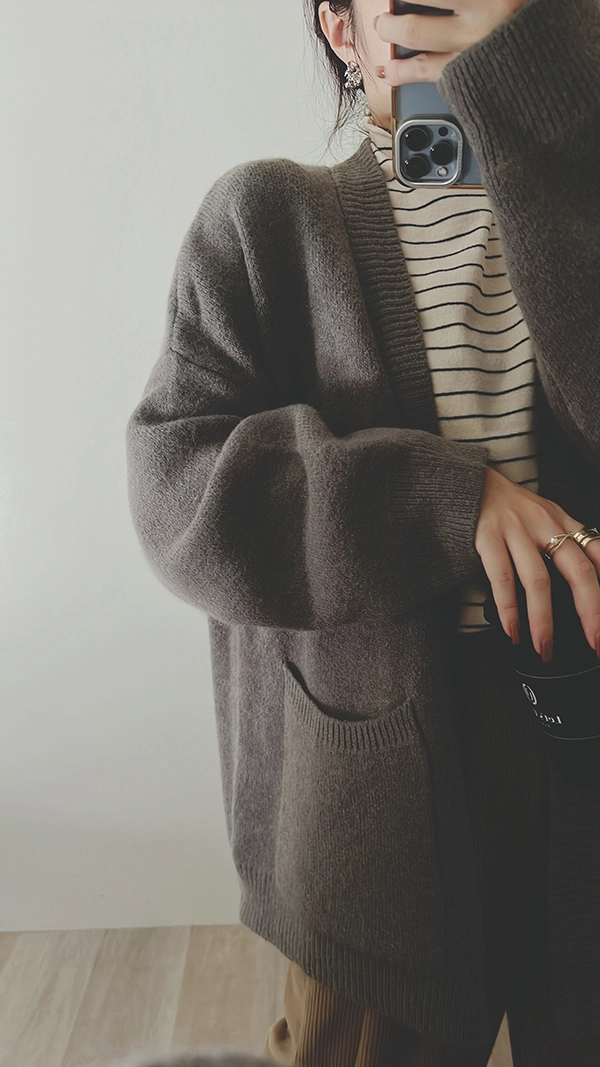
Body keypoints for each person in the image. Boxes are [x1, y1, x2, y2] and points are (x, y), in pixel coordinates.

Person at [125, 0, 600, 1063]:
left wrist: (542, 92)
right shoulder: (267, 219)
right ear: (342, 31)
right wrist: (445, 500)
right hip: (375, 786)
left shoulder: (580, 203)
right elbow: (175, 485)